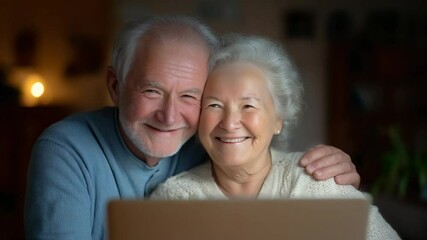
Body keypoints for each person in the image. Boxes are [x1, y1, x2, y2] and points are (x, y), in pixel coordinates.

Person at [25, 16, 360, 240]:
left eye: (190, 96)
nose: (169, 116)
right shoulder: (65, 149)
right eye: (151, 90)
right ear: (115, 86)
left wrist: (332, 174)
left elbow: (265, 165)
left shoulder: (207, 141)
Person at [150, 34, 400, 239]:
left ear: (278, 119)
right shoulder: (176, 198)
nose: (229, 123)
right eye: (214, 105)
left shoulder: (315, 181)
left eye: (248, 106)